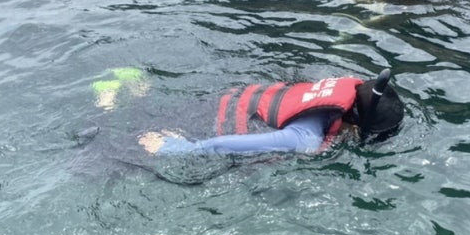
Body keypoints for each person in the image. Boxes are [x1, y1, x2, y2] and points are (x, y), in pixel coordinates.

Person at [138, 70, 405, 156]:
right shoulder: (305, 138)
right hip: (199, 127)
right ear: (356, 128)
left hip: (215, 102)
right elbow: (225, 145)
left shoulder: (333, 92)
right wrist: (178, 148)